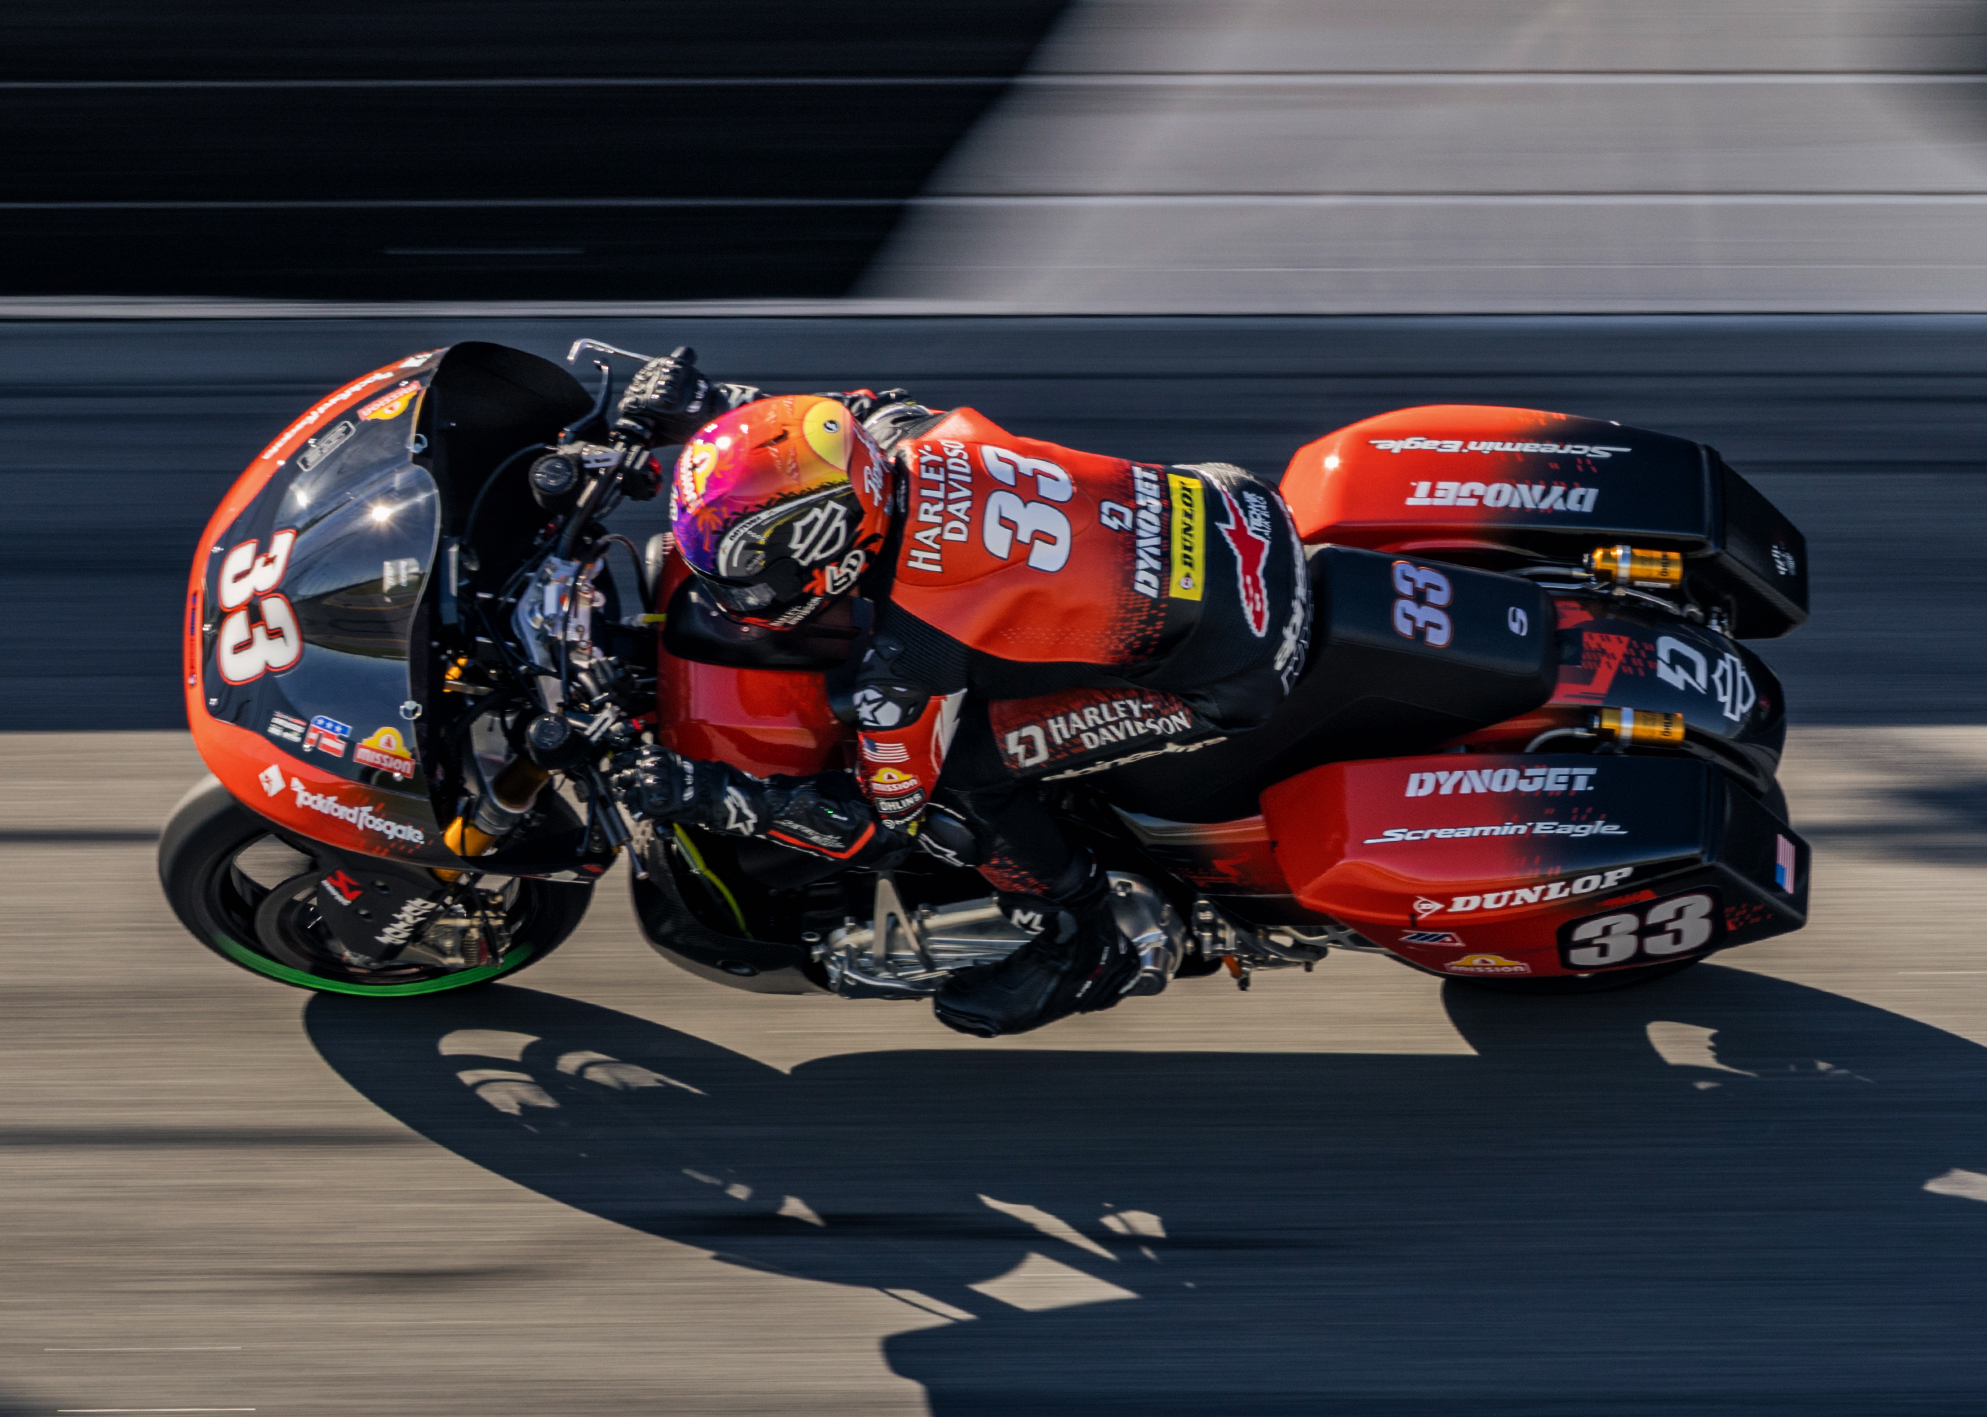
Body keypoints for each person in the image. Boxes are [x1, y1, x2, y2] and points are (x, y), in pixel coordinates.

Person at [606, 350, 1311, 1037]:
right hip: (1237, 507)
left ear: (826, 541)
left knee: (960, 779)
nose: (729, 589)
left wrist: (710, 794)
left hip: (1236, 664)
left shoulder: (913, 653)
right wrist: (705, 407)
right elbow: (818, 430)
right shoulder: (905, 436)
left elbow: (883, 826)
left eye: (746, 567)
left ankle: (1082, 942)